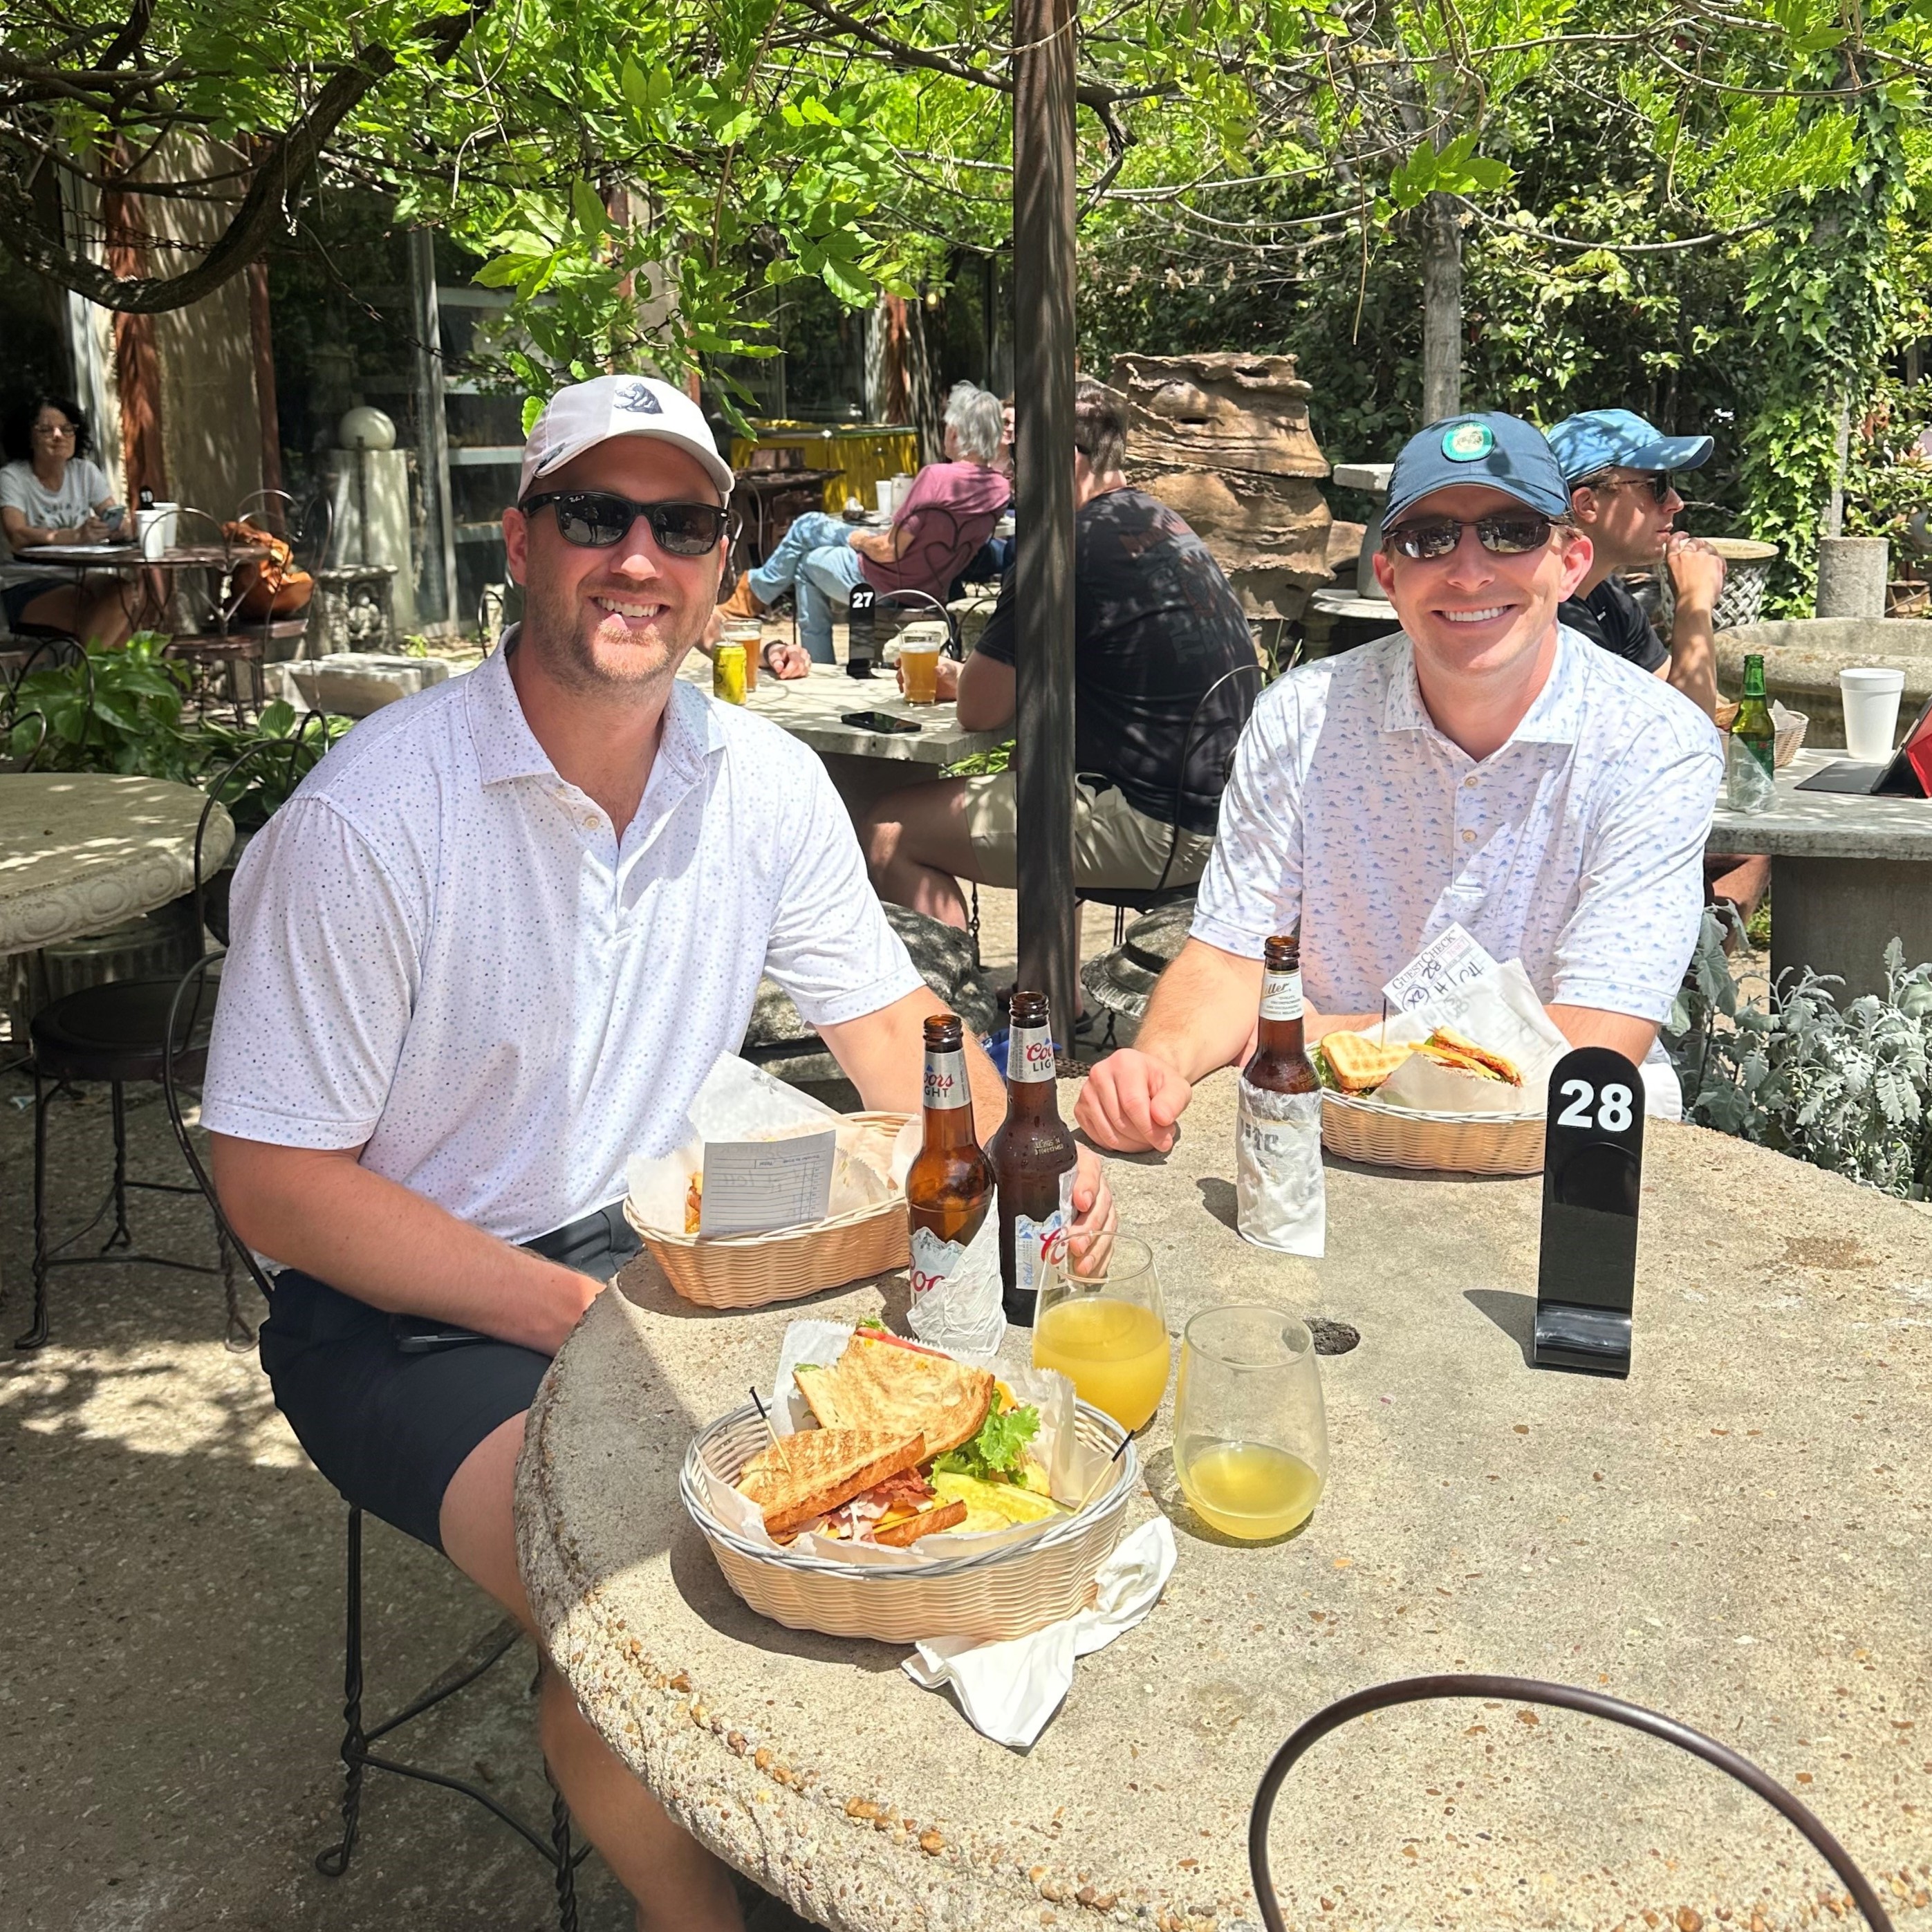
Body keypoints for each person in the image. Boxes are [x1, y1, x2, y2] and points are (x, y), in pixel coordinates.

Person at [200, 373, 1112, 1932]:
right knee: (664, 1631)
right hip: (407, 1311)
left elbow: (887, 1014)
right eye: (593, 514)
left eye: (679, 521)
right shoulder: (373, 818)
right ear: (519, 541)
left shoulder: (753, 776)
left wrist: (1025, 1140)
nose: (637, 555)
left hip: (681, 1248)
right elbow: (271, 1179)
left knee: (942, 1494)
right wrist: (582, 1319)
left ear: (720, 563)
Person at [1076, 410, 1724, 1156]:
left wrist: (1323, 1033)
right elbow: (1229, 955)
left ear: (1570, 562)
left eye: (1512, 531)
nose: (1471, 570)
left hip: (1561, 1152)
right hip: (1336, 1134)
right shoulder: (1301, 718)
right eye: (1429, 538)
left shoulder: (1653, 739)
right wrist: (1155, 1066)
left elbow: (1589, 1039)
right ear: (1389, 575)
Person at [858, 379, 1258, 929]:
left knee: (890, 828)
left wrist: (969, 680)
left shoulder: (1060, 549)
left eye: (1019, 457)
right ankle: (1051, 991)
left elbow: (979, 712)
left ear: (1063, 459)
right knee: (1038, 766)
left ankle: (951, 1011)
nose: (1008, 475)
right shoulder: (1163, 523)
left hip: (1154, 829)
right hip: (1225, 812)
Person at [716, 382, 1009, 661]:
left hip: (884, 579)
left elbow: (888, 551)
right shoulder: (999, 490)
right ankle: (756, 604)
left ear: (956, 432)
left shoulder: (936, 477)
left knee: (807, 534)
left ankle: (753, 608)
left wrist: (856, 538)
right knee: (809, 543)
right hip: (930, 586)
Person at [1546, 407, 1727, 720]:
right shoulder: (1551, 621)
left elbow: (1670, 691)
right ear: (1587, 504)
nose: (1675, 502)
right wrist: (1694, 604)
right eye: (1655, 486)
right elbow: (1685, 736)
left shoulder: (1610, 599)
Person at [0, 394, 140, 647]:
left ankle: (88, 681)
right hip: (29, 582)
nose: (58, 436)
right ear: (28, 437)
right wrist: (76, 536)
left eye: (67, 429)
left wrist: (118, 528)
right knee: (111, 614)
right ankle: (91, 682)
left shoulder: (84, 472)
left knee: (126, 594)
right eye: (46, 429)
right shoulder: (13, 477)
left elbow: (112, 514)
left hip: (81, 575)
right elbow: (17, 535)